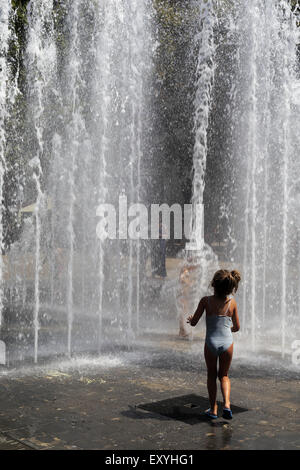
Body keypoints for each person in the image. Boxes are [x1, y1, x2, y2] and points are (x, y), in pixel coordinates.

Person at [187, 269, 241, 420]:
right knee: (224, 375)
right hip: (227, 342)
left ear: (213, 285)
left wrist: (190, 319)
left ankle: (213, 409)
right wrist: (226, 330)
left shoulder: (206, 301)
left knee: (211, 375)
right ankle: (227, 405)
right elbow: (237, 327)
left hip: (210, 343)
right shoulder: (232, 303)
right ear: (230, 287)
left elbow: (193, 323)